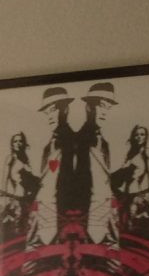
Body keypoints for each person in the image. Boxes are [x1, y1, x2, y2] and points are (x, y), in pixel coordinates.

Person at [35, 81, 118, 245]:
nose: (104, 112)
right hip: (54, 222)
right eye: (47, 112)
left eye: (107, 107)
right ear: (89, 108)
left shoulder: (99, 142)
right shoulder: (59, 143)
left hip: (97, 220)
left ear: (65, 110)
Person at [0, 131, 42, 256]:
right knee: (13, 228)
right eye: (15, 141)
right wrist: (5, 198)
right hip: (15, 198)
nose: (18, 143)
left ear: (24, 143)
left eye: (20, 141)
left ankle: (21, 254)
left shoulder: (26, 160)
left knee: (26, 228)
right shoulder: (11, 158)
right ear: (12, 144)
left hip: (27, 200)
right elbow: (5, 179)